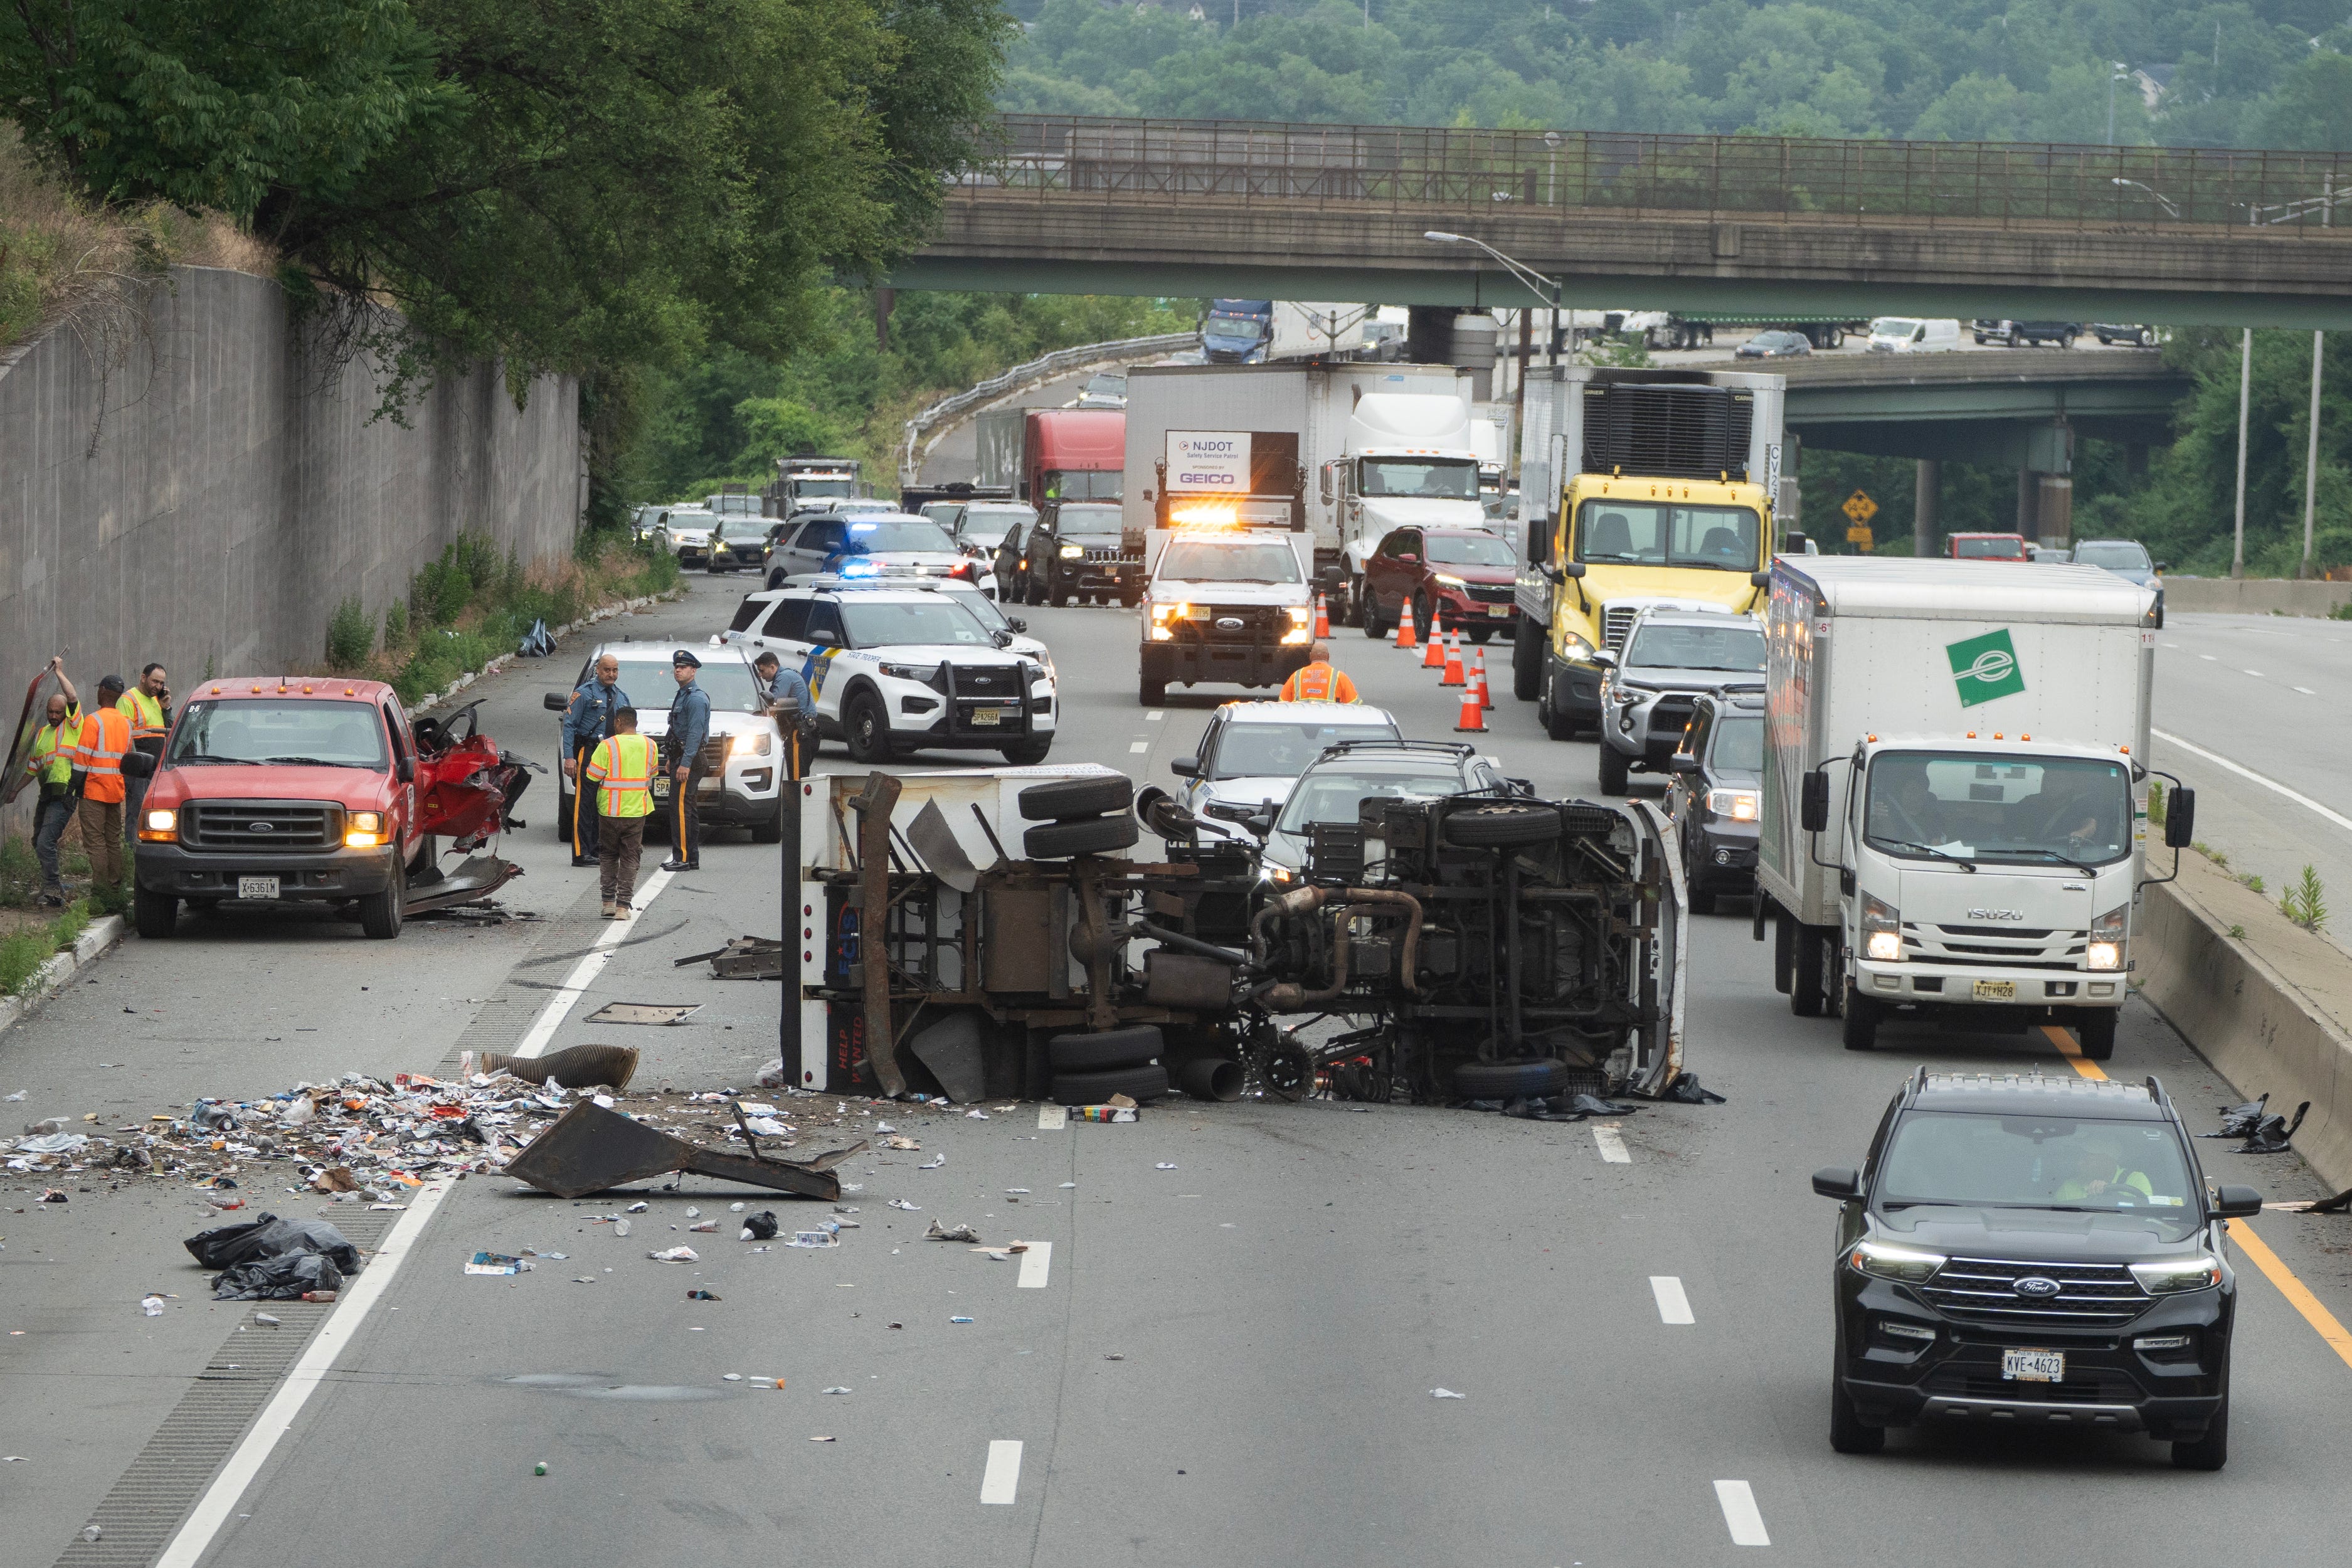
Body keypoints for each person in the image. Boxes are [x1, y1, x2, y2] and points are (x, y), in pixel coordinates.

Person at [583, 707, 659, 918]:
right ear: (635, 723)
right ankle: (623, 907)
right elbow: (652, 772)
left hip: (609, 810)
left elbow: (593, 776)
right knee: (630, 857)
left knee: (608, 855)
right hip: (637, 811)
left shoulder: (607, 745)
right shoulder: (650, 745)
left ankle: (608, 903)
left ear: (618, 722)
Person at [561, 654, 632, 868]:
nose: (611, 674)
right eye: (607, 670)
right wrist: (569, 758)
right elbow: (570, 726)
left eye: (615, 670)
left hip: (612, 756)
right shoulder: (584, 694)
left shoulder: (622, 697)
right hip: (590, 752)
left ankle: (599, 849)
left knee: (605, 804)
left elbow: (627, 730)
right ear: (598, 671)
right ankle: (581, 853)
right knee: (585, 804)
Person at [19, 658, 80, 906]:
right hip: (47, 795)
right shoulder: (43, 734)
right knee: (39, 842)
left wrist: (60, 673)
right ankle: (53, 883)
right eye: (51, 712)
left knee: (45, 842)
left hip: (65, 794)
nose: (54, 716)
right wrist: (13, 791)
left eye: (58, 712)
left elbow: (73, 697)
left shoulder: (73, 726)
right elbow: (32, 769)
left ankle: (53, 888)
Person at [66, 675, 132, 898]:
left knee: (95, 842)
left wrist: (72, 789)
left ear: (103, 691)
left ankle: (101, 891)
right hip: (115, 790)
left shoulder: (94, 721)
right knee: (113, 841)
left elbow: (81, 760)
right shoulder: (126, 723)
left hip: (94, 791)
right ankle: (114, 888)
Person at [662, 650, 712, 872]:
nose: (678, 670)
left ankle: (681, 857)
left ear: (694, 671)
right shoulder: (683, 695)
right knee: (687, 808)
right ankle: (691, 858)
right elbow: (676, 730)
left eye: (683, 667)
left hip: (689, 759)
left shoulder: (696, 698)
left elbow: (694, 734)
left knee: (680, 808)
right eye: (676, 667)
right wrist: (670, 758)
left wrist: (685, 763)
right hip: (680, 756)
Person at [117, 662, 169, 847]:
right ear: (143, 677)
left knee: (154, 810)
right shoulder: (129, 700)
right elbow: (125, 735)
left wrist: (166, 708)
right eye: (155, 681)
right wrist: (133, 766)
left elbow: (166, 731)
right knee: (136, 810)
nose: (158, 687)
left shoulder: (157, 700)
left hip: (155, 767)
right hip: (138, 768)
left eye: (162, 683)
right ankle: (132, 849)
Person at [752, 651, 816, 780]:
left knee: (797, 779)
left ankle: (797, 800)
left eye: (762, 670)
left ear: (772, 667)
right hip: (807, 729)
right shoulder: (789, 674)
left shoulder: (784, 678)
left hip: (800, 731)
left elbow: (774, 704)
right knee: (800, 775)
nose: (760, 675)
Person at [1278, 642, 1359, 704]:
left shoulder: (1297, 676)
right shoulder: (1340, 677)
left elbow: (1282, 704)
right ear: (1328, 657)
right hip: (1329, 724)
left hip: (1303, 721)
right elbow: (1355, 705)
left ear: (1310, 656)